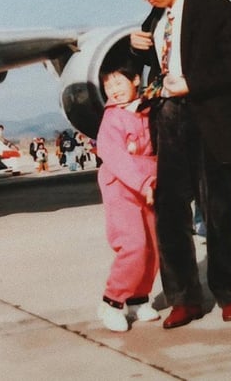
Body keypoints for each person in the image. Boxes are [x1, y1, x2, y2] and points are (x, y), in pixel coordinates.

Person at [123, 0, 231, 329]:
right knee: (168, 213)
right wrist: (137, 50)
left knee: (218, 211)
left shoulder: (215, 8)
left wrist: (192, 83)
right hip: (168, 122)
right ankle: (184, 298)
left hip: (210, 120)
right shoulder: (154, 19)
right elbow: (154, 66)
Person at [94, 60, 160, 332]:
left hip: (148, 187)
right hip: (121, 188)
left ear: (135, 80)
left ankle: (138, 299)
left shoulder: (146, 111)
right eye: (108, 85)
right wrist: (142, 182)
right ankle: (111, 302)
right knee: (133, 244)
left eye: (119, 82)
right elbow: (115, 157)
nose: (114, 90)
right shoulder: (112, 118)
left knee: (152, 247)